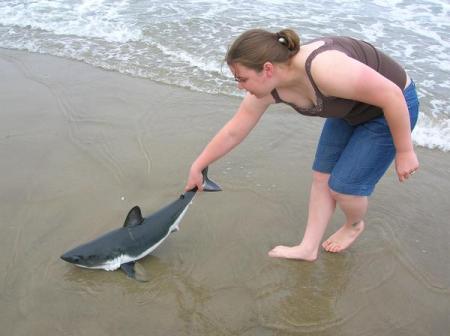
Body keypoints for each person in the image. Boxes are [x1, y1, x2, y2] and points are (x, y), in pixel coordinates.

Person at [184, 28, 419, 261]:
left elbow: (392, 96)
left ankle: (354, 225)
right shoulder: (268, 87)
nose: (240, 86)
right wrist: (199, 165)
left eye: (242, 79)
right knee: (321, 177)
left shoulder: (326, 70)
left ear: (267, 68)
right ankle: (308, 248)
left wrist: (405, 150)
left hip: (393, 109)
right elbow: (234, 131)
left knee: (343, 188)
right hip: (349, 107)